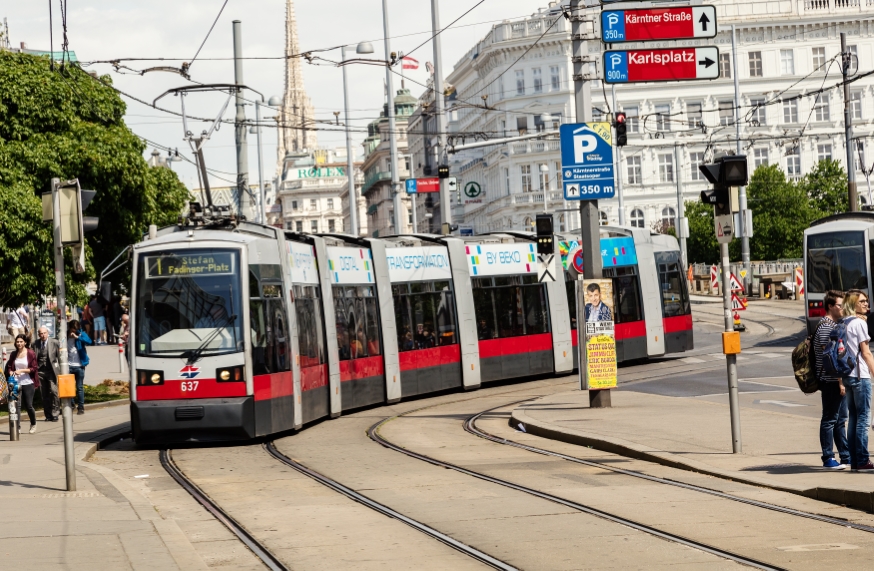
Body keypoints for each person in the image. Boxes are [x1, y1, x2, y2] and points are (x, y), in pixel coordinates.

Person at [813, 290, 850, 469]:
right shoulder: (826, 327)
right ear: (830, 306)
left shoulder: (834, 324)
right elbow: (831, 358)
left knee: (839, 419)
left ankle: (845, 455)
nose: (842, 308)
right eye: (839, 305)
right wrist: (840, 382)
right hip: (830, 380)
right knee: (829, 419)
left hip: (834, 379)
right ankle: (828, 457)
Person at [841, 291, 874, 471]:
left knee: (853, 417)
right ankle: (862, 459)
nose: (866, 304)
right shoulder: (859, 323)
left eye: (866, 301)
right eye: (862, 301)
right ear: (853, 303)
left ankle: (854, 460)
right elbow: (866, 352)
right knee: (863, 418)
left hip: (847, 375)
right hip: (860, 375)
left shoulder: (843, 322)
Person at [4, 334, 39, 433]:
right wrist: (11, 371)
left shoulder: (31, 353)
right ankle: (17, 426)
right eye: (17, 342)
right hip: (16, 382)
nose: (19, 343)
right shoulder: (13, 354)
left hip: (28, 382)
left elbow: (34, 368)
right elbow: (10, 366)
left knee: (28, 405)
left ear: (25, 343)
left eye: (21, 342)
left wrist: (22, 370)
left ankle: (33, 423)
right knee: (17, 405)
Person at [34, 326, 61, 422]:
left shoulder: (54, 342)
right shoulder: (36, 343)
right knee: (44, 394)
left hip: (51, 370)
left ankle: (55, 413)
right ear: (38, 334)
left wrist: (61, 371)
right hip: (40, 371)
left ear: (48, 333)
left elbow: (60, 357)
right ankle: (48, 414)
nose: (43, 335)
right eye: (41, 333)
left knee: (54, 392)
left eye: (44, 333)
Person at [66, 320, 92, 415]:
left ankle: (81, 407)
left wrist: (78, 337)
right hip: (69, 365)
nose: (74, 331)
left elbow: (89, 341)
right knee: (70, 387)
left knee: (79, 387)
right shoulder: (65, 335)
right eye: (73, 329)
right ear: (70, 328)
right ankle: (72, 404)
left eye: (76, 329)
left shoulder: (80, 333)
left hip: (79, 365)